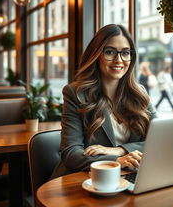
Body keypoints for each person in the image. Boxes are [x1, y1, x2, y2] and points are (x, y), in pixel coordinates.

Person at [51, 24, 157, 179]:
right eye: (109, 52)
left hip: (130, 179)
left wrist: (120, 150)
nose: (118, 60)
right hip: (85, 181)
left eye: (125, 53)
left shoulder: (139, 93)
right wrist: (117, 161)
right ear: (96, 55)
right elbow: (71, 153)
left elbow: (158, 140)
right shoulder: (75, 93)